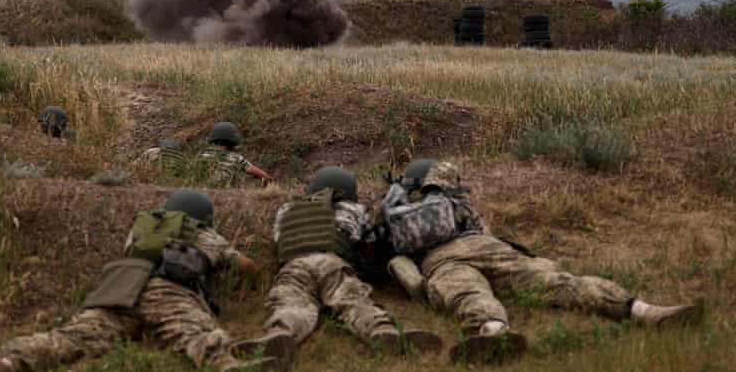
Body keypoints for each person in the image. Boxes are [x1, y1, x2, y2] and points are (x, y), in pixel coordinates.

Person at [380, 158, 701, 363]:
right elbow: (485, 231)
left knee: (466, 294)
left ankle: (492, 331)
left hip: (441, 262)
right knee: (555, 281)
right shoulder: (453, 202)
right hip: (485, 247)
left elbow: (383, 250)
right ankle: (643, 311)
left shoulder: (396, 210)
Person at [0, 189, 279, 372]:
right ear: (204, 217)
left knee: (75, 336)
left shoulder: (141, 230)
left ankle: (1, 363)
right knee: (198, 336)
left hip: (121, 287)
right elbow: (245, 266)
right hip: (169, 290)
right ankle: (230, 367)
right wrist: (252, 274)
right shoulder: (205, 233)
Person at [235, 167, 443, 370]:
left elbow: (279, 239)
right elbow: (369, 244)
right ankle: (380, 329)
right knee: (351, 299)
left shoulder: (286, 210)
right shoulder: (355, 210)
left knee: (289, 303)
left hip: (294, 265)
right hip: (332, 262)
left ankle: (281, 332)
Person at [197, 122, 271, 185]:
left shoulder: (203, 155)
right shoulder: (236, 157)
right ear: (232, 141)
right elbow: (254, 171)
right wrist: (268, 178)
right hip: (223, 190)